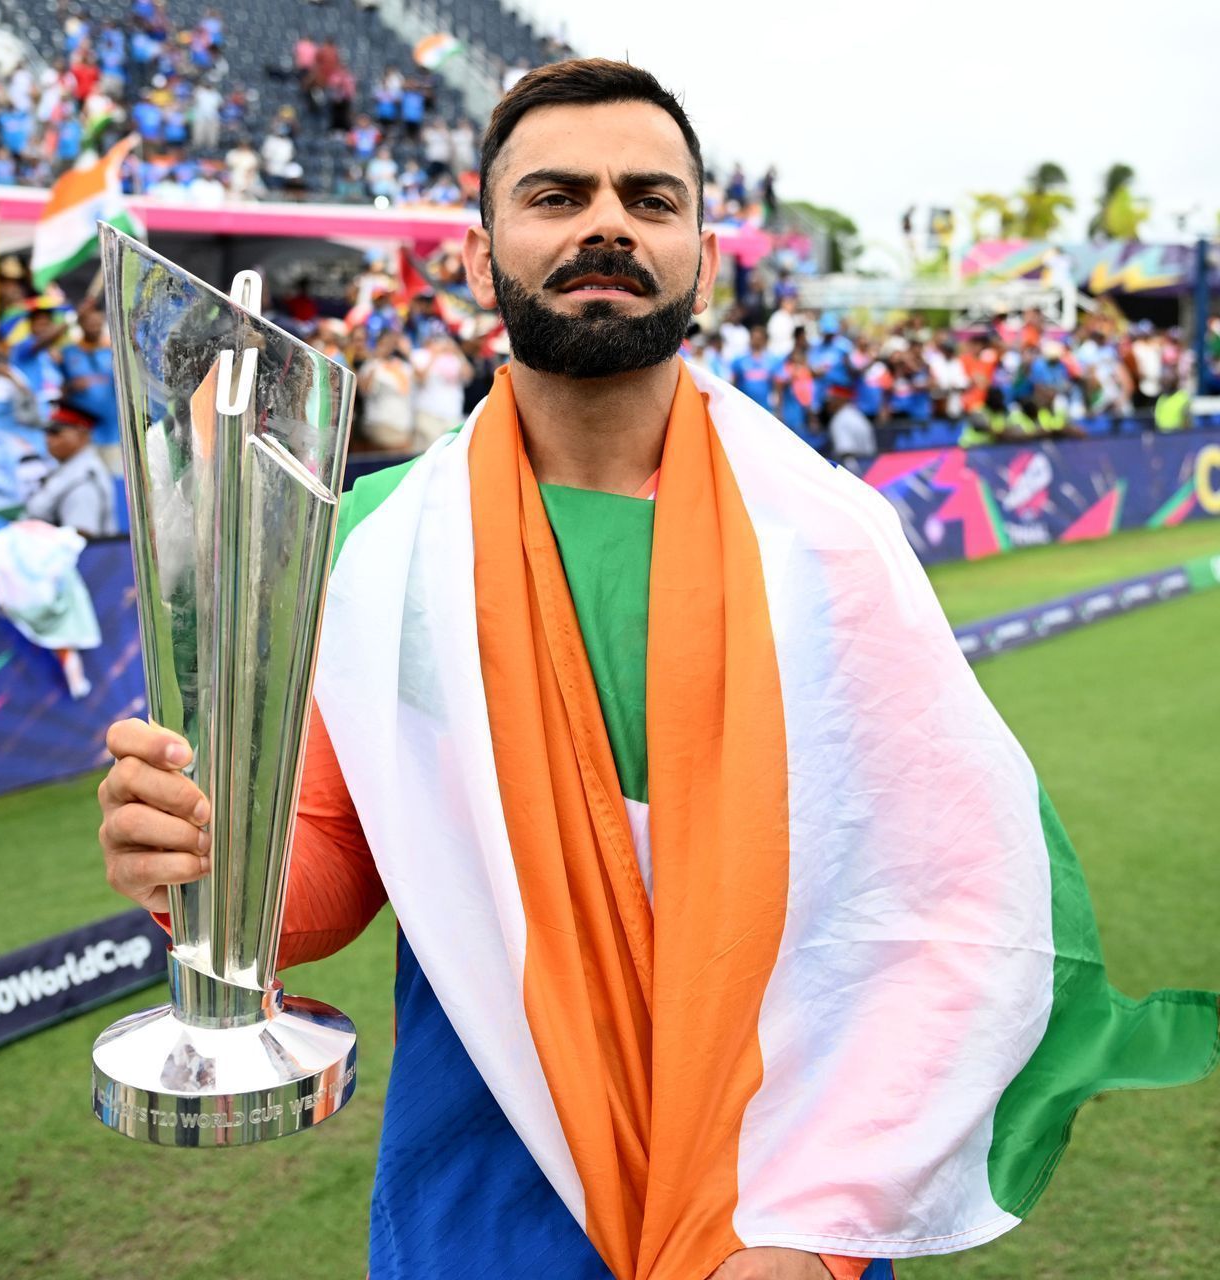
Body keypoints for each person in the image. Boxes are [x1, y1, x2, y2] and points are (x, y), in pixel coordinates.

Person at [97, 59, 1216, 1280]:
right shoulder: (370, 540)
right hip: (484, 1208)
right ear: (478, 256)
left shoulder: (829, 538)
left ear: (701, 253)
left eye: (649, 197)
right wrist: (196, 857)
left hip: (783, 1215)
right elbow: (323, 883)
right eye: (555, 194)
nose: (606, 224)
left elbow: (944, 907)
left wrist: (813, 1235)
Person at [23, 399, 117, 536]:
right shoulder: (69, 469)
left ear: (82, 433)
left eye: (55, 432)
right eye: (47, 432)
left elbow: (81, 537)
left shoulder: (84, 478)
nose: (48, 439)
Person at [59, 299, 122, 472]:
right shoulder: (67, 353)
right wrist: (71, 387)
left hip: (113, 432)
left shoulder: (115, 350)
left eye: (97, 321)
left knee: (116, 480)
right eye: (89, 322)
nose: (94, 326)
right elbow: (58, 390)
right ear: (80, 324)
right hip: (83, 433)